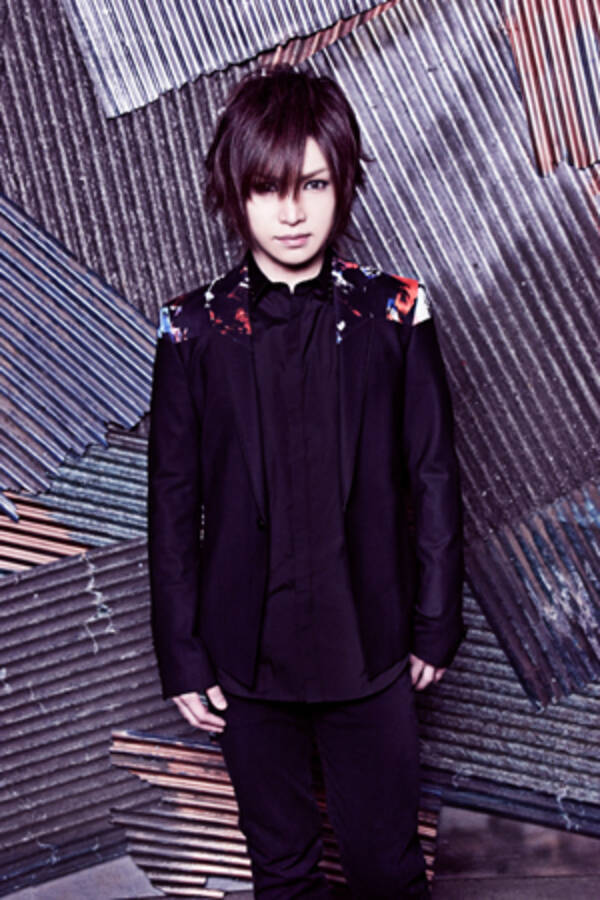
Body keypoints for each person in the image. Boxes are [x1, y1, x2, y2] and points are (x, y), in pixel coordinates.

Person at [147, 66, 465, 900]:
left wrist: (436, 622)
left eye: (314, 185)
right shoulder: (191, 327)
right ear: (234, 193)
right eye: (268, 188)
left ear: (344, 182)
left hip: (372, 646)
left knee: (388, 871)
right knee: (282, 875)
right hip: (243, 659)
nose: (292, 213)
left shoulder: (396, 309)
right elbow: (173, 503)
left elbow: (434, 474)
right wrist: (181, 653)